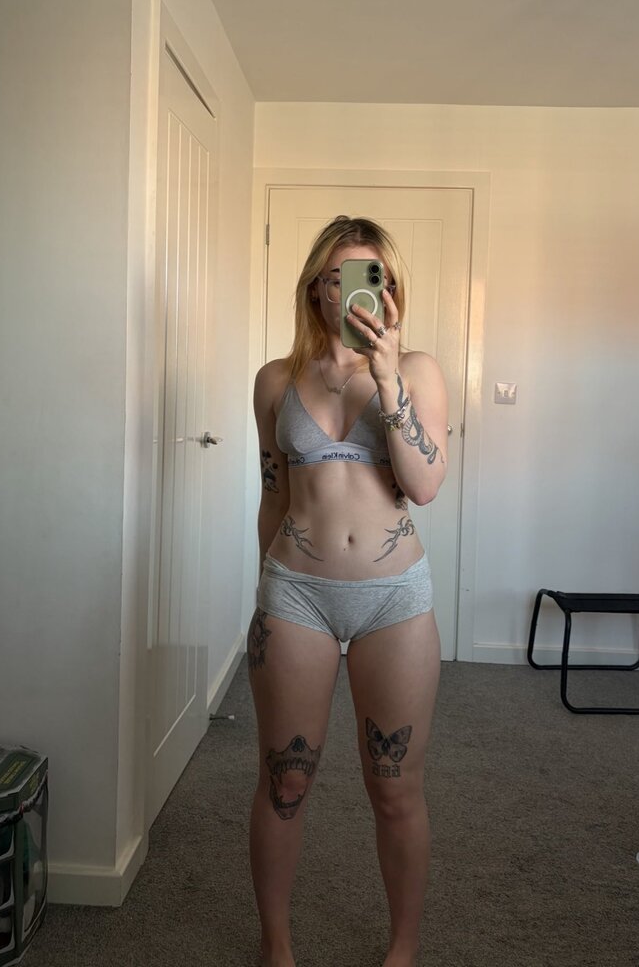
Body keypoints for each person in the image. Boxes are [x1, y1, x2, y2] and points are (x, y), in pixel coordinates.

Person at [247, 216, 448, 967]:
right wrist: (266, 589)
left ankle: (402, 948)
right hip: (295, 595)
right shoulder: (275, 380)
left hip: (393, 600)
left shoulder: (418, 370)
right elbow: (272, 495)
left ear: (390, 290)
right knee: (284, 783)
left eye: (374, 277)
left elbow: (424, 485)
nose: (358, 292)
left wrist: (388, 377)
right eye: (341, 277)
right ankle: (276, 946)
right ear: (316, 289)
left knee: (395, 788)